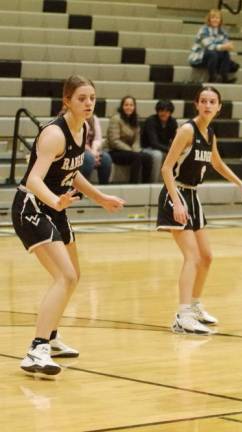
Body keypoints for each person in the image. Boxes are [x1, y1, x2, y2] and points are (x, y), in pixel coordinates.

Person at [11, 75, 125, 377]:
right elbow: (34, 179)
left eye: (92, 98)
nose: (88, 103)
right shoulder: (54, 134)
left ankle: (50, 335)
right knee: (65, 275)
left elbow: (72, 172)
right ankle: (36, 350)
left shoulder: (82, 128)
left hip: (55, 207)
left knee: (73, 277)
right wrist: (54, 200)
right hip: (32, 205)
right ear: (67, 101)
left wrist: (100, 197)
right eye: (81, 98)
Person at [157, 86, 242, 335]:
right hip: (176, 193)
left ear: (219, 107)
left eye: (212, 101)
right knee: (192, 257)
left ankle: (194, 305)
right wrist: (176, 202)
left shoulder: (210, 133)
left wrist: (241, 185)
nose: (208, 105)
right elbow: (167, 168)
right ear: (197, 105)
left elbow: (217, 163)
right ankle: (182, 315)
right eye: (203, 101)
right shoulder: (187, 130)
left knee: (207, 257)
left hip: (193, 195)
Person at [106, 96, 153, 183]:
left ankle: (146, 184)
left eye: (131, 105)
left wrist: (135, 149)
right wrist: (131, 150)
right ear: (122, 106)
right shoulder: (116, 119)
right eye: (126, 105)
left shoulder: (135, 119)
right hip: (114, 151)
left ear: (134, 107)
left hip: (130, 151)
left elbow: (137, 140)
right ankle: (133, 184)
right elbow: (114, 141)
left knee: (148, 157)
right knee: (136, 157)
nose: (129, 107)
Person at [188, 9, 238, 84]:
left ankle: (224, 77)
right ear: (209, 19)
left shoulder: (222, 32)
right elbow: (209, 46)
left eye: (217, 18)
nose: (215, 20)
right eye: (213, 18)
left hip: (215, 58)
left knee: (225, 53)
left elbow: (227, 45)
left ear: (220, 20)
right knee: (212, 53)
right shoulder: (203, 30)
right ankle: (212, 77)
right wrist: (224, 46)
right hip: (200, 57)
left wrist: (228, 46)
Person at [141, 100, 178, 182]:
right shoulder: (151, 121)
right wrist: (169, 150)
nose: (164, 113)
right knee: (158, 155)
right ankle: (154, 182)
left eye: (167, 111)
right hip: (148, 148)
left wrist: (175, 150)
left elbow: (175, 139)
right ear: (157, 111)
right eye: (161, 110)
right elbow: (153, 143)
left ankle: (172, 181)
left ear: (170, 112)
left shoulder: (173, 122)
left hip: (163, 148)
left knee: (178, 154)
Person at [79, 114, 112, 184]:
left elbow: (98, 139)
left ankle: (103, 189)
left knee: (106, 158)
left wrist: (94, 151)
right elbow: (76, 140)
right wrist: (91, 153)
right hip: (77, 149)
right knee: (88, 158)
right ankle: (79, 192)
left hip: (91, 150)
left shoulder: (94, 118)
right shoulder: (73, 116)